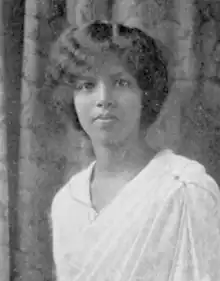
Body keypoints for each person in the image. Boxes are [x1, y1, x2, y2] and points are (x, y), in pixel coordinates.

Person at [46, 20, 220, 281]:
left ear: (145, 94)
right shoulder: (66, 202)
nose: (104, 98)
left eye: (121, 83)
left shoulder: (184, 189)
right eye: (86, 85)